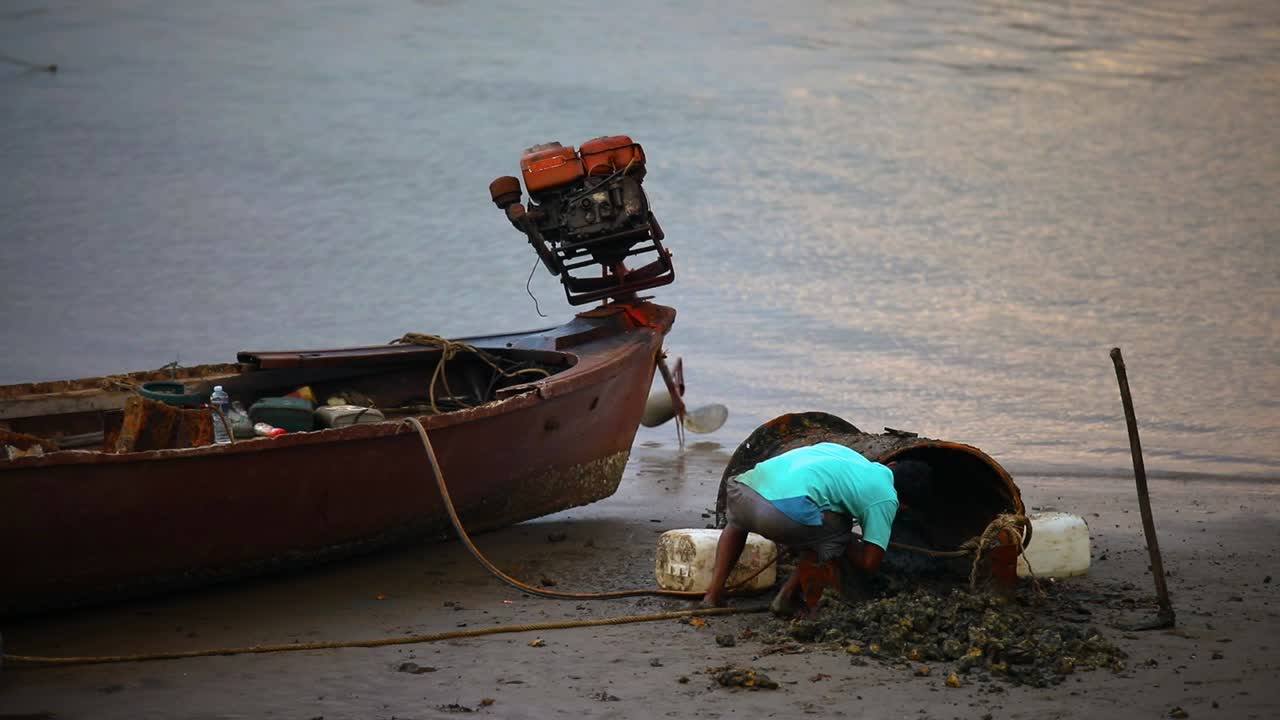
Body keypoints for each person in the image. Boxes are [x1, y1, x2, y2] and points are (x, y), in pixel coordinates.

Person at [699, 442, 933, 614]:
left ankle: (713, 595)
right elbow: (869, 562)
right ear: (903, 506)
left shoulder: (847, 454)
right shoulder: (886, 498)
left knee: (737, 523)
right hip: (780, 516)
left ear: (891, 464)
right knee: (834, 529)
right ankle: (786, 598)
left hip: (742, 491)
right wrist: (848, 540)